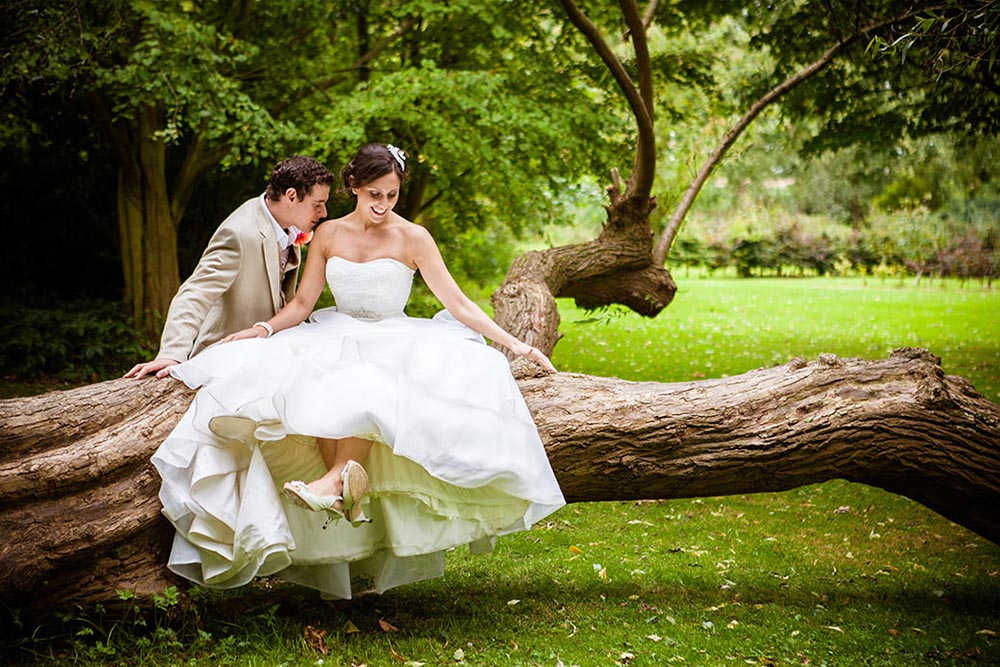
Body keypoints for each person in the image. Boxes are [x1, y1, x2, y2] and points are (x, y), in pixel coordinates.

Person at [151, 143, 565, 599]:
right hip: (335, 329)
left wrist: (516, 344)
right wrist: (264, 329)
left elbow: (459, 303)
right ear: (353, 187)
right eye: (374, 194)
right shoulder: (328, 234)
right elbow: (302, 304)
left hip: (395, 336)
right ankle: (340, 487)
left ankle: (335, 480)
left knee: (368, 378)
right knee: (314, 377)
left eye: (391, 195)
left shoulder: (414, 238)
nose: (383, 205)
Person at [124, 156, 334, 379]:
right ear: (291, 196)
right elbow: (195, 293)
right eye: (317, 205)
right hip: (225, 358)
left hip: (271, 351)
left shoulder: (285, 224)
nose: (324, 213)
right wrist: (172, 354)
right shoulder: (239, 233)